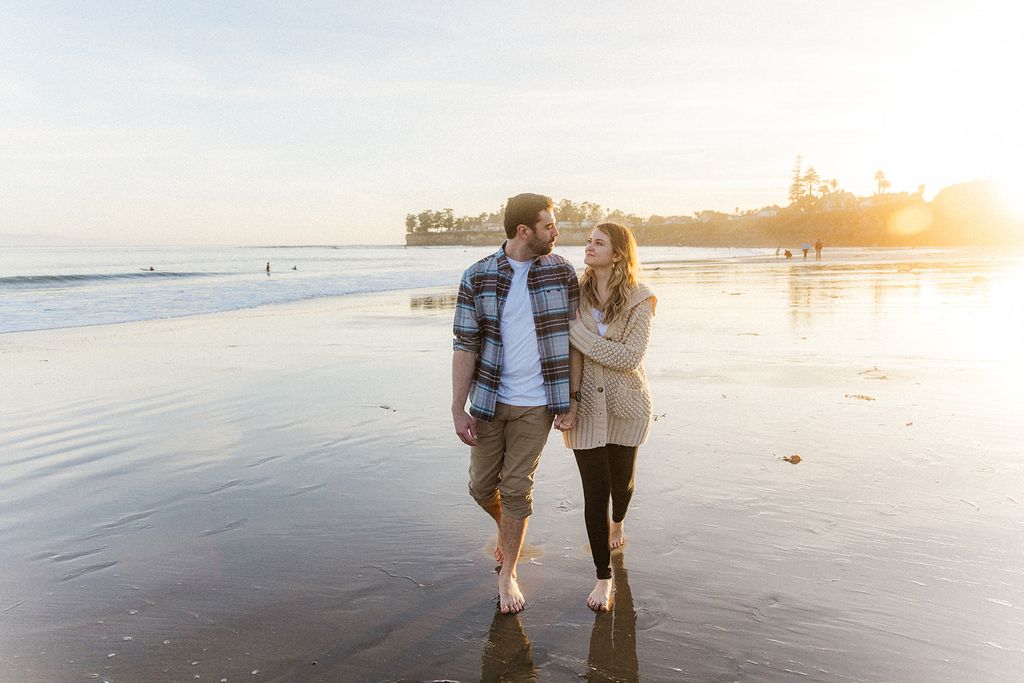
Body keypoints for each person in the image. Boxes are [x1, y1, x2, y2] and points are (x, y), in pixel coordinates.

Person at [452, 192, 579, 614]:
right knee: (481, 488)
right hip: (489, 400)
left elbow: (575, 340)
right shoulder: (478, 275)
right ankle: (510, 535)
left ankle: (508, 575)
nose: (556, 232)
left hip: (538, 404)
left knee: (517, 487)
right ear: (524, 231)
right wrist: (457, 407)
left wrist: (570, 398)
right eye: (548, 226)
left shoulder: (562, 272)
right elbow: (464, 344)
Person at [556, 223, 656, 612]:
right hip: (586, 409)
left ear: (617, 254)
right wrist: (570, 400)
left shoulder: (640, 299)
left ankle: (620, 521)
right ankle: (603, 577)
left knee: (622, 487)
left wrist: (577, 333)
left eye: (599, 242)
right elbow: (574, 356)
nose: (589, 246)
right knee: (593, 494)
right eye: (588, 241)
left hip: (628, 406)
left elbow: (629, 357)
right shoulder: (574, 295)